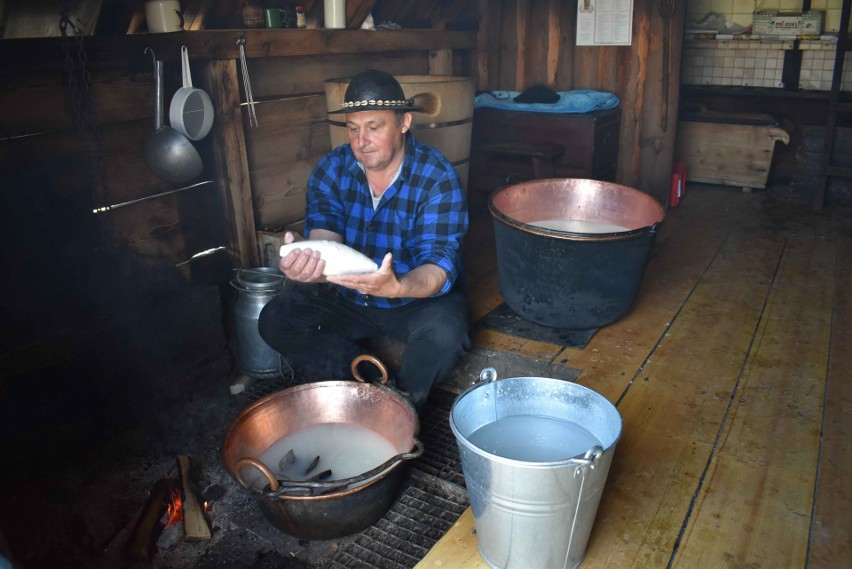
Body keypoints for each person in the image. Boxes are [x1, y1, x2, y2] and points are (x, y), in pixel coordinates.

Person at [258, 69, 471, 410]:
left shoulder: (436, 176)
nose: (361, 141)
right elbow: (326, 238)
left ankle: (404, 405)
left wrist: (397, 286)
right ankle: (365, 390)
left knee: (447, 332)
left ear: (404, 123)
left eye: (374, 127)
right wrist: (310, 267)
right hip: (350, 294)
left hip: (413, 298)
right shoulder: (333, 168)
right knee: (275, 320)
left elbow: (437, 266)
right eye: (353, 129)